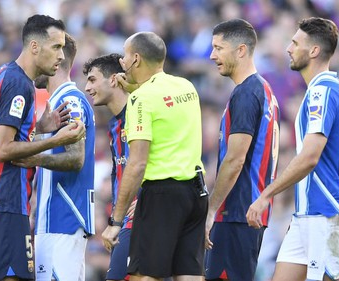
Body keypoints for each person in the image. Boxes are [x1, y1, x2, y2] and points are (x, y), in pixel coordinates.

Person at [0, 15, 85, 281]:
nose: (61, 56)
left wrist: (38, 126)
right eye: (56, 47)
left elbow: (0, 133)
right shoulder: (20, 84)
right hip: (2, 200)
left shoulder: (6, 74)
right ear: (35, 47)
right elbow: (2, 149)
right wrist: (55, 141)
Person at [246, 17, 339, 281]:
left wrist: (266, 194)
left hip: (327, 214)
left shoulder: (320, 93)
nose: (289, 48)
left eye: (295, 42)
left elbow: (309, 157)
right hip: (309, 215)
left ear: (314, 51)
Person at [101, 31, 207, 281]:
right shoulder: (186, 86)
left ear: (136, 58)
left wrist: (115, 221)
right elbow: (161, 98)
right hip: (196, 194)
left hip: (162, 195)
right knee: (189, 275)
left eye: (125, 57)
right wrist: (134, 87)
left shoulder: (141, 98)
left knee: (144, 276)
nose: (122, 63)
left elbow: (137, 163)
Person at [13, 33, 95, 281]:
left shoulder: (70, 100)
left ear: (57, 61)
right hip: (53, 220)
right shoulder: (57, 101)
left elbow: (76, 158)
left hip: (65, 218)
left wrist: (31, 158)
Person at [204, 19, 281, 281]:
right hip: (248, 212)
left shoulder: (247, 93)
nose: (212, 55)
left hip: (236, 211)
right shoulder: (265, 91)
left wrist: (211, 210)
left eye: (218, 48)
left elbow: (236, 159)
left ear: (241, 50)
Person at [82, 53, 136, 281]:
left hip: (143, 218)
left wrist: (143, 198)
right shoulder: (115, 123)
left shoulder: (139, 114)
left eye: (93, 80)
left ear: (113, 79)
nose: (87, 87)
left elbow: (154, 162)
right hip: (124, 220)